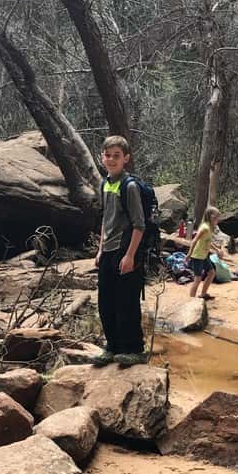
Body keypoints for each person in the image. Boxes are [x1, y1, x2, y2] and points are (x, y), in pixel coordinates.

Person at [94, 135, 146, 367]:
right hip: (108, 251)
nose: (112, 159)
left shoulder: (130, 186)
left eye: (117, 156)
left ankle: (134, 349)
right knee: (106, 302)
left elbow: (139, 224)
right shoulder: (105, 183)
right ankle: (112, 346)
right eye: (108, 155)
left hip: (126, 251)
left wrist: (130, 255)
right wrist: (100, 249)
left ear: (126, 158)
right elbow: (106, 218)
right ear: (102, 157)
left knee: (127, 302)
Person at [187, 206, 220, 300]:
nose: (217, 219)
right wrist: (189, 254)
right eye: (216, 217)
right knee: (198, 278)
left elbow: (208, 241)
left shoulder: (210, 227)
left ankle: (203, 294)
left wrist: (217, 249)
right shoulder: (205, 228)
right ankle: (191, 300)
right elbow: (194, 240)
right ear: (210, 217)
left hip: (204, 256)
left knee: (211, 272)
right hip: (197, 256)